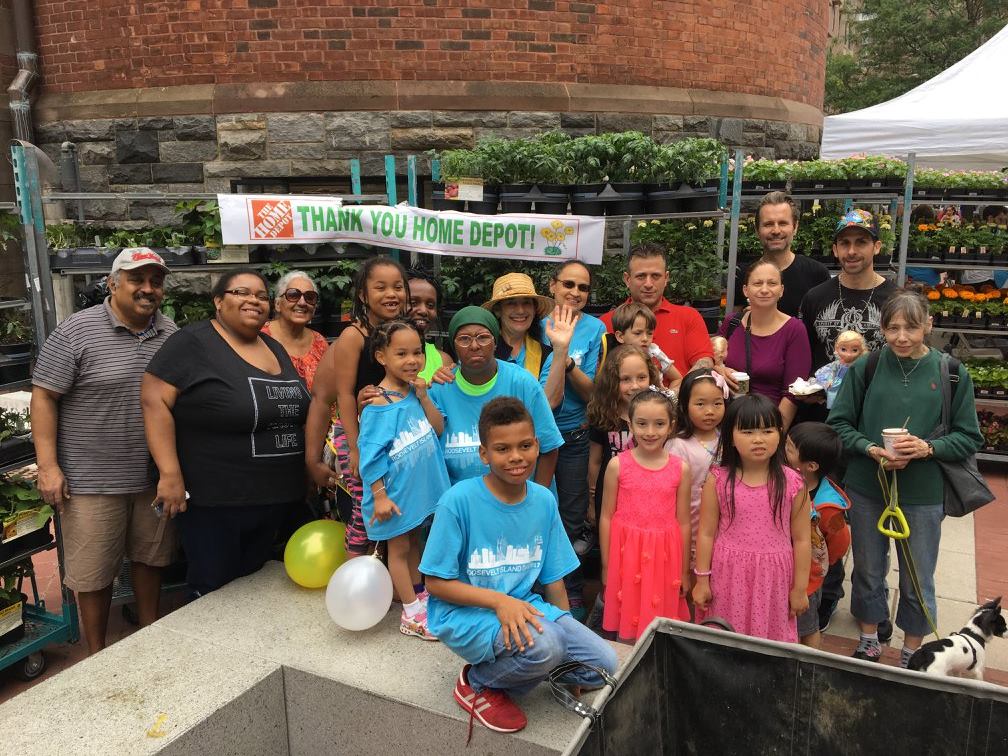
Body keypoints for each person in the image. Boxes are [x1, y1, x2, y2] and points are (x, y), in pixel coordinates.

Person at [420, 397, 617, 736]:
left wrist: (567, 644)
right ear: (484, 454)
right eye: (502, 449)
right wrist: (501, 602)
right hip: (466, 614)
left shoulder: (542, 500)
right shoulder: (458, 501)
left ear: (536, 445)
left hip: (524, 608)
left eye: (525, 445)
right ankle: (477, 682)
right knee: (548, 646)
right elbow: (435, 584)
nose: (516, 457)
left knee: (603, 665)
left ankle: (534, 664)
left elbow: (554, 580)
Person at [31, 247, 178, 654]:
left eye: (156, 281)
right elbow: (44, 397)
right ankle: (97, 653)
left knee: (151, 558)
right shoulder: (77, 331)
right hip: (90, 480)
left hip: (150, 477)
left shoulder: (171, 336)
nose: (147, 289)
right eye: (137, 279)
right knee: (93, 573)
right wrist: (48, 466)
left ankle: (150, 633)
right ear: (113, 283)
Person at [827, 291, 983, 667]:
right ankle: (868, 636)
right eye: (893, 328)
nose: (901, 337)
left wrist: (927, 448)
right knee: (868, 565)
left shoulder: (950, 372)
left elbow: (969, 436)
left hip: (924, 490)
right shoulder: (867, 366)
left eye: (911, 328)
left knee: (917, 571)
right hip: (868, 483)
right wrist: (870, 448)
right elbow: (839, 423)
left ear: (928, 325)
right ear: (882, 329)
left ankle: (913, 647)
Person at [142, 269, 309, 595]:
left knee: (256, 589)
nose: (253, 300)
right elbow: (153, 400)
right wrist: (169, 472)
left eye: (261, 295)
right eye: (242, 292)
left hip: (275, 497)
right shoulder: (193, 343)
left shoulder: (273, 347)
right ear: (218, 301)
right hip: (217, 501)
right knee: (214, 590)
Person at [305, 256, 409, 558]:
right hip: (359, 435)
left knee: (392, 511)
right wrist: (354, 448)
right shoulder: (354, 336)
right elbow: (344, 395)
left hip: (387, 434)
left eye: (398, 287)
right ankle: (354, 574)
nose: (391, 294)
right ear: (364, 295)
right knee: (365, 514)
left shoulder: (398, 333)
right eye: (381, 287)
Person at [358, 320, 451, 641]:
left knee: (414, 544)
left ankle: (418, 594)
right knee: (397, 549)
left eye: (417, 352)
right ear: (382, 356)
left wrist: (424, 396)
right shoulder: (377, 406)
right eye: (401, 353)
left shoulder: (415, 394)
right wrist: (379, 496)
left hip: (415, 496)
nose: (412, 360)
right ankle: (410, 612)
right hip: (393, 498)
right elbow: (369, 458)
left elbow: (438, 428)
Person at [692, 394, 811, 643]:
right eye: (747, 432)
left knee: (769, 642)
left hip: (774, 578)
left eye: (767, 430)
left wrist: (800, 588)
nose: (758, 439)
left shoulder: (793, 483)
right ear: (731, 438)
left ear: (779, 433)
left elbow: (801, 539)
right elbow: (705, 533)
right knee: (725, 641)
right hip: (728, 575)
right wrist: (702, 580)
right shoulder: (719, 480)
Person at [429, 306, 563, 486]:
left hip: (521, 501)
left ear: (495, 343)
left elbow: (549, 446)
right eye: (464, 339)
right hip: (464, 506)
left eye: (483, 337)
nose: (475, 346)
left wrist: (536, 498)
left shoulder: (521, 382)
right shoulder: (439, 390)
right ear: (453, 346)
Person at [599, 387, 691, 641]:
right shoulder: (618, 465)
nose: (650, 432)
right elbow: (606, 516)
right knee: (627, 619)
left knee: (661, 625)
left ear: (671, 426)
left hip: (664, 559)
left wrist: (684, 571)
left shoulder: (680, 469)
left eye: (659, 424)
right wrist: (607, 565)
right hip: (627, 556)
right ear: (630, 422)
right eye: (642, 424)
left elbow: (684, 522)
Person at [542, 261, 607, 618]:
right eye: (569, 284)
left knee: (570, 514)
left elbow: (593, 393)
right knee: (536, 507)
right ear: (553, 286)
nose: (576, 293)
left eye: (583, 287)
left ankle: (568, 586)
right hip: (537, 438)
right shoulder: (536, 326)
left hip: (575, 435)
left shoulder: (596, 329)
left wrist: (564, 359)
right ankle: (539, 584)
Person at [799, 209, 900, 370]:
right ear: (835, 250)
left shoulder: (896, 300)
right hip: (827, 393)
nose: (852, 251)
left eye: (861, 242)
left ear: (877, 247)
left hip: (876, 394)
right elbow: (803, 356)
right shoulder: (815, 298)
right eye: (845, 243)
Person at [718, 261, 811, 431]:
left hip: (769, 423)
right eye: (757, 283)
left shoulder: (794, 330)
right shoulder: (732, 323)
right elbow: (710, 358)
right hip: (727, 421)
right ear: (746, 290)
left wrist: (773, 432)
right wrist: (719, 369)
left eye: (772, 283)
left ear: (781, 290)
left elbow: (793, 392)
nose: (765, 289)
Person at [600, 242, 713, 376]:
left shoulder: (688, 317)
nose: (648, 284)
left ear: (666, 278)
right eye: (641, 276)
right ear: (627, 279)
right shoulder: (605, 323)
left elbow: (704, 361)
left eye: (655, 276)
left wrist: (676, 392)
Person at [784, 422, 851, 649]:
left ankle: (809, 666)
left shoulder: (827, 506)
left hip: (808, 580)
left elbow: (839, 544)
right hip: (781, 569)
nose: (783, 450)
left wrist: (818, 565)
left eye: (790, 448)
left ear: (810, 465)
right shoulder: (784, 482)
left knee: (806, 626)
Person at [586, 345, 661, 530]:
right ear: (612, 382)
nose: (635, 386)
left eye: (641, 378)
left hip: (649, 497)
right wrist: (592, 499)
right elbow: (595, 461)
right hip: (611, 496)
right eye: (625, 379)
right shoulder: (604, 416)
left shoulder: (660, 416)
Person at [483, 271, 575, 409]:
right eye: (511, 303)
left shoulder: (547, 355)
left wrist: (561, 349)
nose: (520, 310)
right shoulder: (481, 349)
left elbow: (548, 403)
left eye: (526, 303)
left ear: (534, 309)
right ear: (498, 310)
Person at [669, 368, 730, 563]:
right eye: (700, 404)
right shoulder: (678, 445)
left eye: (717, 403)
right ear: (685, 406)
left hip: (723, 529)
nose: (710, 411)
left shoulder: (729, 440)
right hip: (691, 526)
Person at [734, 192, 830, 316]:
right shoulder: (744, 274)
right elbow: (733, 327)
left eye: (783, 223)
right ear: (757, 230)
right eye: (768, 224)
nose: (776, 231)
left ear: (795, 227)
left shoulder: (816, 274)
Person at [261, 270, 329, 389]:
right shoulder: (260, 338)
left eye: (310, 297)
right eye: (293, 295)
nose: (302, 302)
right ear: (277, 304)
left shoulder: (320, 343)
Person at [606, 302, 682, 388]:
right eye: (638, 333)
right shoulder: (614, 357)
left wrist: (669, 395)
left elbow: (677, 379)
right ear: (620, 336)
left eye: (649, 333)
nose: (645, 338)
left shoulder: (654, 352)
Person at [406, 267, 454, 383]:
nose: (423, 310)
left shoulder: (443, 361)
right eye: (413, 303)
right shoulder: (379, 356)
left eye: (430, 305)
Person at [813, 330, 867, 410]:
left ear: (861, 350)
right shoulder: (837, 364)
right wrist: (829, 380)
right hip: (838, 387)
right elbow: (827, 372)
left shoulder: (861, 365)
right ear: (837, 348)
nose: (848, 354)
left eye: (854, 350)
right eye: (844, 349)